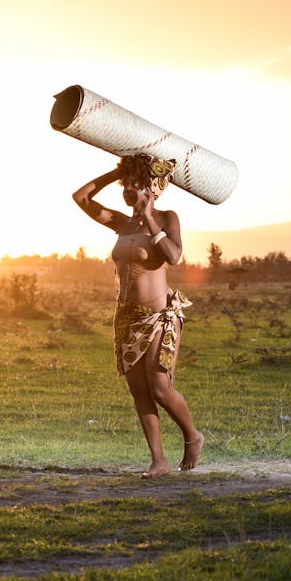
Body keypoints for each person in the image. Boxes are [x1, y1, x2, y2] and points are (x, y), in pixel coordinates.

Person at [72, 154, 204, 478]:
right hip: (126, 318)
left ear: (154, 188)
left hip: (159, 316)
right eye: (127, 186)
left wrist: (150, 219)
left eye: (137, 184)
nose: (130, 190)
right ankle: (158, 460)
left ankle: (192, 436)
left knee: (159, 387)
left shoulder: (166, 217)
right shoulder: (121, 222)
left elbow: (173, 256)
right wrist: (115, 172)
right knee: (139, 390)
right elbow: (81, 198)